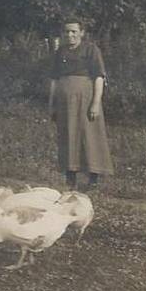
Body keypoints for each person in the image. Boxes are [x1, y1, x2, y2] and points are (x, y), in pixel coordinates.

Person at [48, 18, 113, 191]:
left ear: (81, 33)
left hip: (85, 99)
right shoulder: (60, 52)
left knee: (89, 135)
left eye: (74, 31)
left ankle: (93, 179)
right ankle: (71, 179)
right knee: (68, 135)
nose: (70, 35)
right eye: (67, 31)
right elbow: (54, 80)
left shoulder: (91, 50)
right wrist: (52, 104)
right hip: (64, 102)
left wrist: (96, 103)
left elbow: (99, 77)